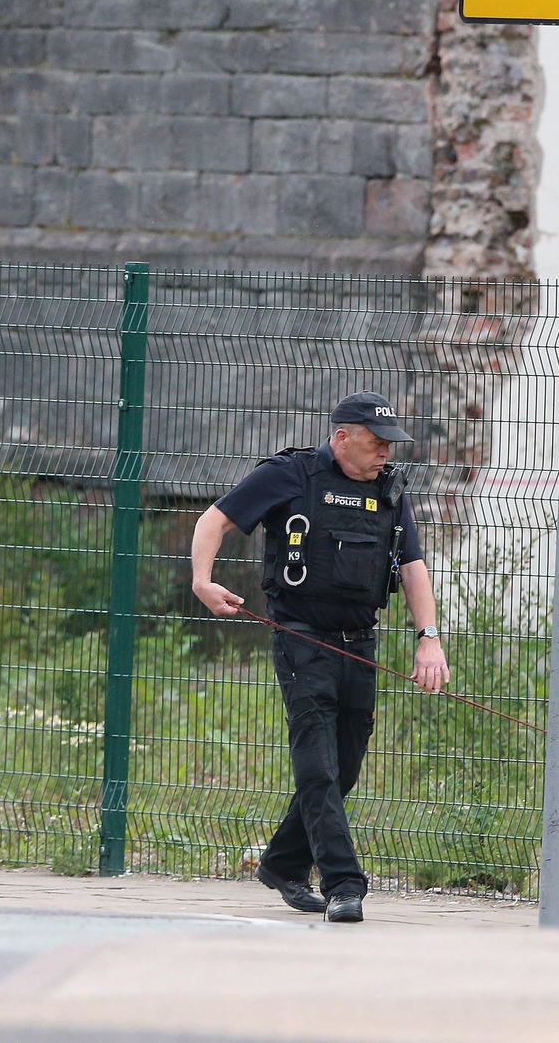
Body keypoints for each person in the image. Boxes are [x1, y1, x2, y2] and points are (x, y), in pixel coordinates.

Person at [190, 391, 449, 923]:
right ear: (341, 438)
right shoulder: (292, 475)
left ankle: (283, 863)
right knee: (317, 766)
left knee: (345, 766)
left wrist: (429, 638)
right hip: (302, 639)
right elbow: (213, 521)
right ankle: (343, 884)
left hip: (360, 644)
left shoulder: (390, 492)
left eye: (389, 446)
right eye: (376, 444)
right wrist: (202, 581)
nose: (385, 454)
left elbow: (413, 566)